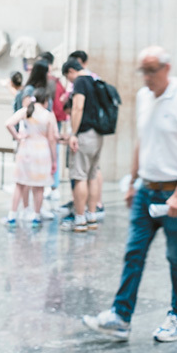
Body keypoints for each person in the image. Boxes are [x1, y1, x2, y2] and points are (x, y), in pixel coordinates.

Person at [82, 45, 177, 343]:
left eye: (151, 70)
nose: (146, 77)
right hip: (145, 191)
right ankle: (121, 316)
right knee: (133, 254)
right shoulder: (142, 98)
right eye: (143, 70)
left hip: (175, 194)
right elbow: (142, 141)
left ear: (166, 68)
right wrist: (133, 180)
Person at [3, 86, 59, 227]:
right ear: (46, 100)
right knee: (38, 187)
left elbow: (8, 123)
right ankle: (36, 216)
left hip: (25, 149)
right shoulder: (48, 115)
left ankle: (12, 216)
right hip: (42, 152)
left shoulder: (26, 111)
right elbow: (52, 139)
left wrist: (18, 137)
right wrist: (54, 160)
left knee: (19, 184)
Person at [62, 59, 102, 233]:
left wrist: (73, 133)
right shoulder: (95, 80)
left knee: (80, 176)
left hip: (84, 134)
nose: (70, 82)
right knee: (92, 175)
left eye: (68, 78)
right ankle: (91, 216)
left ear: (71, 71)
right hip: (98, 134)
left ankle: (79, 218)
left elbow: (78, 107)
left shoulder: (80, 81)